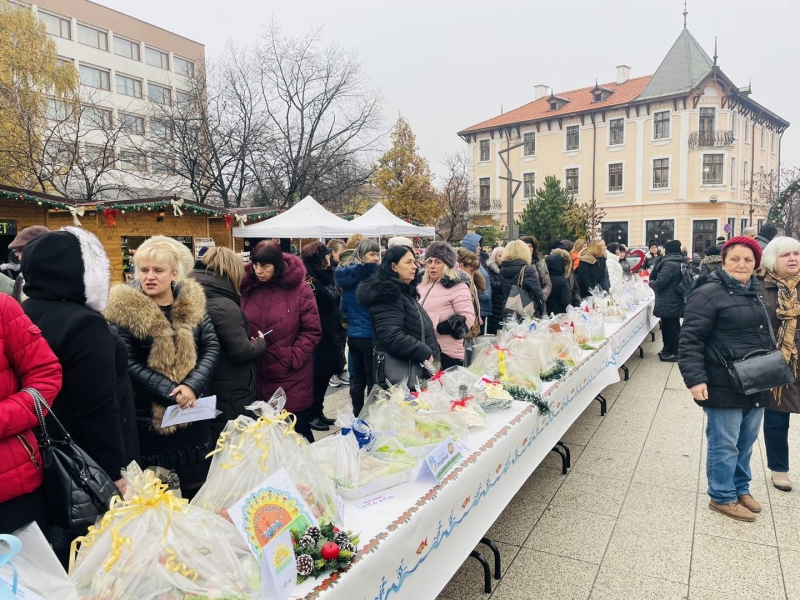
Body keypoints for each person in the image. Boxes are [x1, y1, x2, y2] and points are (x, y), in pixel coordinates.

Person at [105, 236, 220, 498]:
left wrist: (192, 386)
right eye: (143, 270)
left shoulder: (193, 304)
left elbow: (211, 347)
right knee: (159, 499)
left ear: (174, 274)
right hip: (150, 423)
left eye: (158, 270)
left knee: (197, 492)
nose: (149, 276)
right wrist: (172, 391)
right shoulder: (124, 310)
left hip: (193, 418)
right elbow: (127, 362)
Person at [23, 227, 139, 484]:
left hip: (44, 450)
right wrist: (114, 473)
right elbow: (97, 408)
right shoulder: (84, 323)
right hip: (88, 459)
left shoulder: (24, 311)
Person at [679, 236, 771, 521]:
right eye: (735, 258)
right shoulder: (708, 293)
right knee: (724, 442)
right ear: (724, 260)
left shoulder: (757, 291)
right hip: (724, 380)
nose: (741, 264)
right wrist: (695, 380)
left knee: (746, 440)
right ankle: (721, 495)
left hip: (756, 378)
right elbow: (690, 339)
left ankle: (740, 487)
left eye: (748, 259)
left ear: (756, 264)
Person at [240, 242, 321, 442]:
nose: (258, 271)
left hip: (291, 377)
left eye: (265, 266)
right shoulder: (246, 288)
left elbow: (312, 331)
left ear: (277, 265)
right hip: (256, 373)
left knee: (297, 434)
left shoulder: (301, 290)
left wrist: (292, 358)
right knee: (266, 440)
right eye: (255, 264)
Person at [191, 247, 267, 441]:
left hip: (208, 384)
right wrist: (260, 342)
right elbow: (241, 351)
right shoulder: (223, 305)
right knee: (232, 446)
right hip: (231, 390)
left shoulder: (194, 294)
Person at [0, 294, 61, 534]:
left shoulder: (3, 308)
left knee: (26, 570)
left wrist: (4, 417)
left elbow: (45, 376)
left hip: (11, 490)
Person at [357, 245, 439, 386]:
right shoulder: (388, 295)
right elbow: (391, 335)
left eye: (414, 262)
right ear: (393, 267)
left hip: (416, 371)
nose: (414, 267)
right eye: (408, 262)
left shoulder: (405, 292)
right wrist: (424, 351)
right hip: (402, 378)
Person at [759, 236, 800, 492]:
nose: (793, 259)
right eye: (786, 255)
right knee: (777, 418)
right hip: (777, 362)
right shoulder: (760, 288)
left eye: (796, 254)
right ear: (773, 259)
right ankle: (779, 469)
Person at [301, 242, 344, 431]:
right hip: (319, 337)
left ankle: (318, 411)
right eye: (326, 255)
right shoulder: (310, 282)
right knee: (318, 377)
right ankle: (311, 414)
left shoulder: (327, 277)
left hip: (331, 333)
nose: (330, 256)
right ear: (320, 259)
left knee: (325, 375)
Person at [335, 239, 380, 416]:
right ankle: (370, 414)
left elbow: (343, 308)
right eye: (372, 254)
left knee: (358, 378)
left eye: (377, 253)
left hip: (353, 336)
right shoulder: (374, 278)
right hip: (370, 336)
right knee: (371, 380)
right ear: (362, 255)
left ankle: (357, 414)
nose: (376, 258)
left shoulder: (346, 279)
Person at [417, 242, 475, 369]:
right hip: (425, 350)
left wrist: (448, 326)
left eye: (438, 262)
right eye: (430, 261)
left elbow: (469, 316)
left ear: (447, 265)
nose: (432, 266)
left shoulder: (457, 285)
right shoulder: (421, 285)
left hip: (447, 353)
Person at [648, 240, 686, 362]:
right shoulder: (676, 260)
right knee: (669, 325)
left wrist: (651, 283)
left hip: (669, 299)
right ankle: (668, 349)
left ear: (667, 250)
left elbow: (660, 283)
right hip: (672, 298)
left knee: (671, 327)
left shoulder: (670, 264)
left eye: (663, 249)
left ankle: (674, 352)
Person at [499, 239, 545, 317]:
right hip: (524, 311)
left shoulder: (503, 269)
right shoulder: (527, 269)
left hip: (508, 310)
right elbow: (538, 294)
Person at [6, 225, 49, 303]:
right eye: (17, 252)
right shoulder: (21, 278)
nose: (19, 258)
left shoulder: (62, 279)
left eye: (21, 251)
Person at [461, 233, 492, 330]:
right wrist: (484, 295)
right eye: (477, 245)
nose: (479, 247)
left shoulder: (477, 261)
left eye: (479, 245)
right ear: (471, 245)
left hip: (482, 307)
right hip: (478, 307)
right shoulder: (468, 264)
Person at [457, 248, 485, 341]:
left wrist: (473, 269)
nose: (473, 274)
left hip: (470, 324)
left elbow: (482, 286)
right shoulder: (461, 281)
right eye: (471, 270)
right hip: (466, 326)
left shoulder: (469, 278)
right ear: (461, 266)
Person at [519, 235, 552, 300]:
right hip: (521, 303)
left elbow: (547, 284)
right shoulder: (517, 263)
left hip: (538, 304)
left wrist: (541, 296)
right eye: (526, 246)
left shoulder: (539, 263)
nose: (529, 249)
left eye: (530, 246)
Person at [545, 250, 572, 315]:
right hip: (560, 314)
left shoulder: (545, 279)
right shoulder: (563, 282)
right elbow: (565, 302)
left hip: (546, 312)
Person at [486, 246, 505, 334]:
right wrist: (505, 283)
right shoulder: (489, 270)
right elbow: (492, 284)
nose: (502, 258)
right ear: (494, 257)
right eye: (500, 256)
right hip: (495, 304)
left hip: (504, 304)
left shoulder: (506, 269)